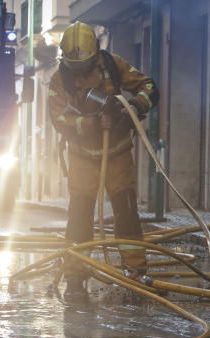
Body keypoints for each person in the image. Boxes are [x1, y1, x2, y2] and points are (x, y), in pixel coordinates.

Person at [48, 21, 159, 299]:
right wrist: (91, 123)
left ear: (96, 55)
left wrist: (134, 106)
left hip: (117, 152)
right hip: (82, 156)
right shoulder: (60, 78)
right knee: (79, 216)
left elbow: (148, 87)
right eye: (74, 66)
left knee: (126, 211)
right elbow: (58, 118)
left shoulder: (112, 65)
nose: (80, 72)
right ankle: (75, 274)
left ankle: (134, 271)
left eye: (84, 65)